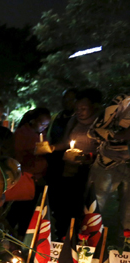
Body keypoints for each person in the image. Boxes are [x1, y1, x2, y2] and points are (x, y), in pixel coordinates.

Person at [50, 89, 102, 237]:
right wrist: (52, 147)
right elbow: (67, 142)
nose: (79, 111)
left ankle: (80, 239)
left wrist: (87, 157)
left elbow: (106, 150)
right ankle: (62, 235)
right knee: (65, 206)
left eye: (83, 109)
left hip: (89, 172)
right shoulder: (73, 121)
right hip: (69, 170)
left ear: (94, 107)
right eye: (77, 108)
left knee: (83, 208)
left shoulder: (101, 123)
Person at [88, 94, 130, 241]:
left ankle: (125, 251)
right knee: (96, 205)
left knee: (128, 214)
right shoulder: (121, 103)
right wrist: (120, 136)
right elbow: (94, 131)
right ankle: (88, 244)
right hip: (108, 163)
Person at [10, 107, 51, 235]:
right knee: (20, 208)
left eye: (47, 125)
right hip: (25, 178)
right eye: (42, 123)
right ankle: (11, 232)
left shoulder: (42, 134)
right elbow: (18, 156)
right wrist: (32, 153)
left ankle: (23, 234)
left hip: (37, 178)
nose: (44, 127)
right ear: (33, 121)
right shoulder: (22, 134)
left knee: (31, 210)